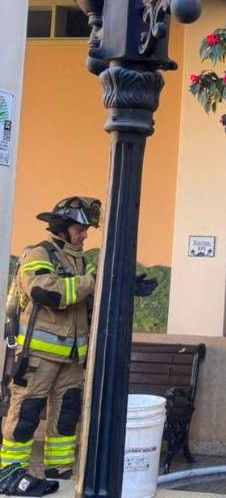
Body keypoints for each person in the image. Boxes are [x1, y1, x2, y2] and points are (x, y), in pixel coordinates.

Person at [2, 197, 157, 480]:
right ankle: (11, 472)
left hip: (72, 358)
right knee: (26, 415)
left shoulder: (78, 262)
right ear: (61, 228)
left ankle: (59, 471)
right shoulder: (39, 254)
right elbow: (46, 292)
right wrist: (94, 280)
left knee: (66, 417)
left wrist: (122, 285)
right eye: (79, 229)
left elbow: (87, 299)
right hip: (37, 358)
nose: (84, 235)